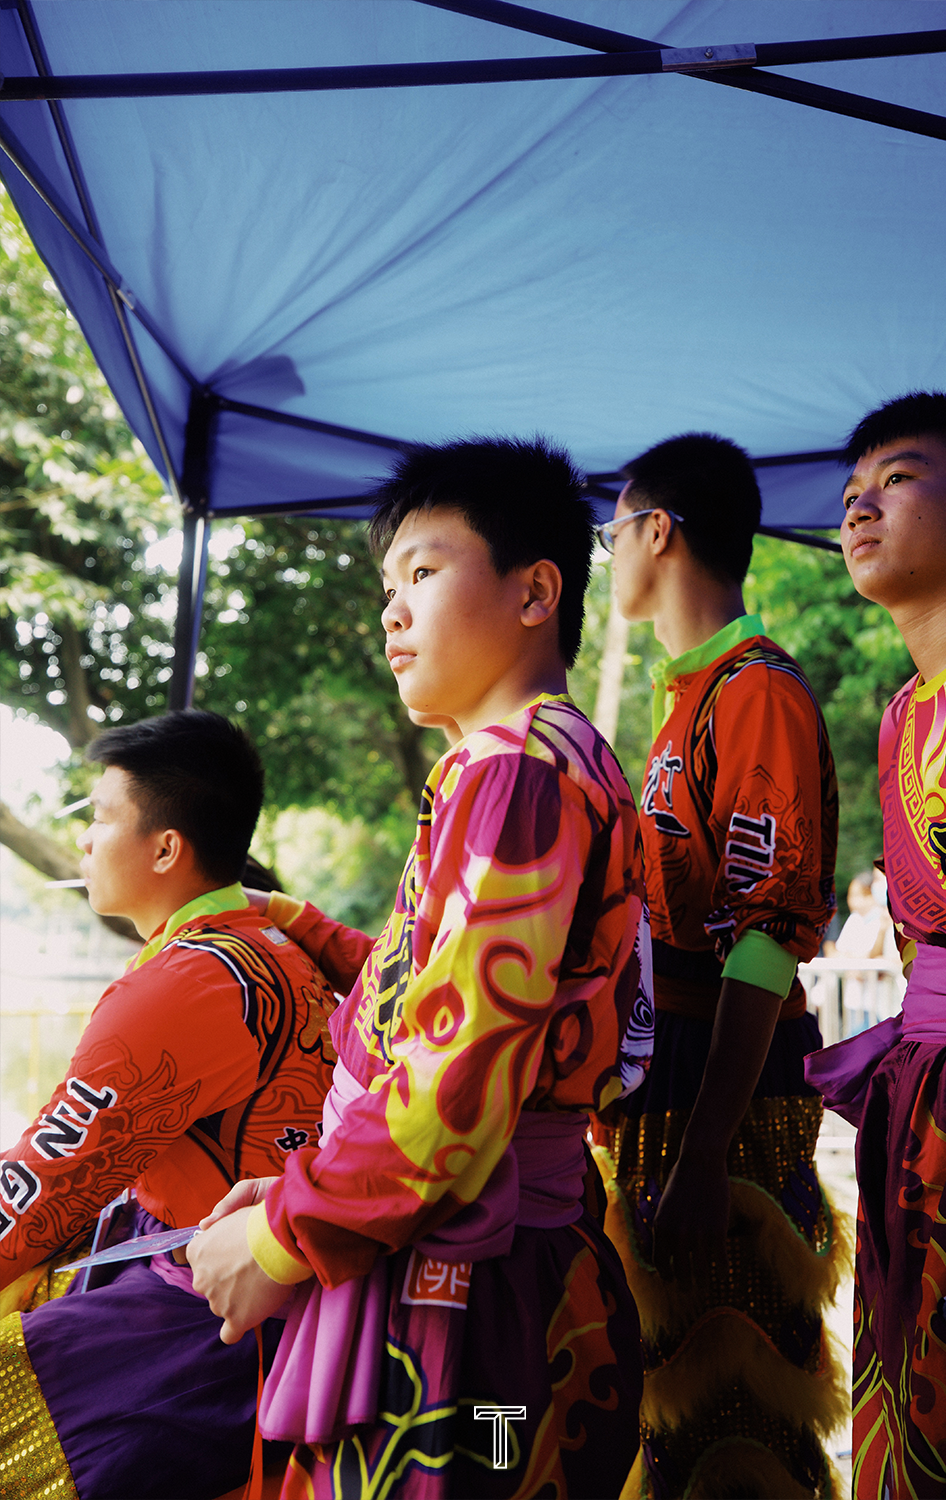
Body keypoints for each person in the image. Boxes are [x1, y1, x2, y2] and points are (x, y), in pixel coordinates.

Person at [188, 436, 653, 1500]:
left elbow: (455, 1080)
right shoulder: (549, 759)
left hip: (468, 1304)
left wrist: (283, 1238)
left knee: (466, 1473)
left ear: (537, 591)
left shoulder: (516, 774)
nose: (391, 612)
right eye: (385, 586)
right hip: (503, 1262)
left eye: (424, 572)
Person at [0, 709, 373, 1500]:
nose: (85, 842)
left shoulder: (184, 982)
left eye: (101, 818)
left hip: (215, 1313)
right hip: (254, 1276)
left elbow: (40, 1187)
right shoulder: (269, 940)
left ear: (166, 847)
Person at [591, 433, 846, 1499]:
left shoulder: (756, 692)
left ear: (658, 531)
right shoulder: (684, 695)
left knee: (737, 1395)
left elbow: (761, 936)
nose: (608, 557)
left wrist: (701, 1156)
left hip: (725, 1094)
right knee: (664, 1392)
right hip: (673, 1075)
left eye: (612, 532)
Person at [806, 392, 946, 1498]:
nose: (859, 509)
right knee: (907, 1431)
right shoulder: (905, 710)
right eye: (848, 496)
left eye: (896, 480)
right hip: (926, 1108)